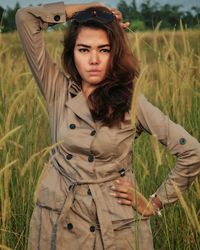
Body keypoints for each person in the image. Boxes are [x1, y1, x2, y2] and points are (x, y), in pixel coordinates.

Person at [15, 1, 200, 250]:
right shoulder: (57, 89)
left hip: (116, 227)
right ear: (72, 53)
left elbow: (192, 152)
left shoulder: (133, 101)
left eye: (104, 50)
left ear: (115, 53)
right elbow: (26, 18)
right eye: (83, 49)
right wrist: (91, 7)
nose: (93, 60)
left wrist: (155, 203)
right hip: (59, 221)